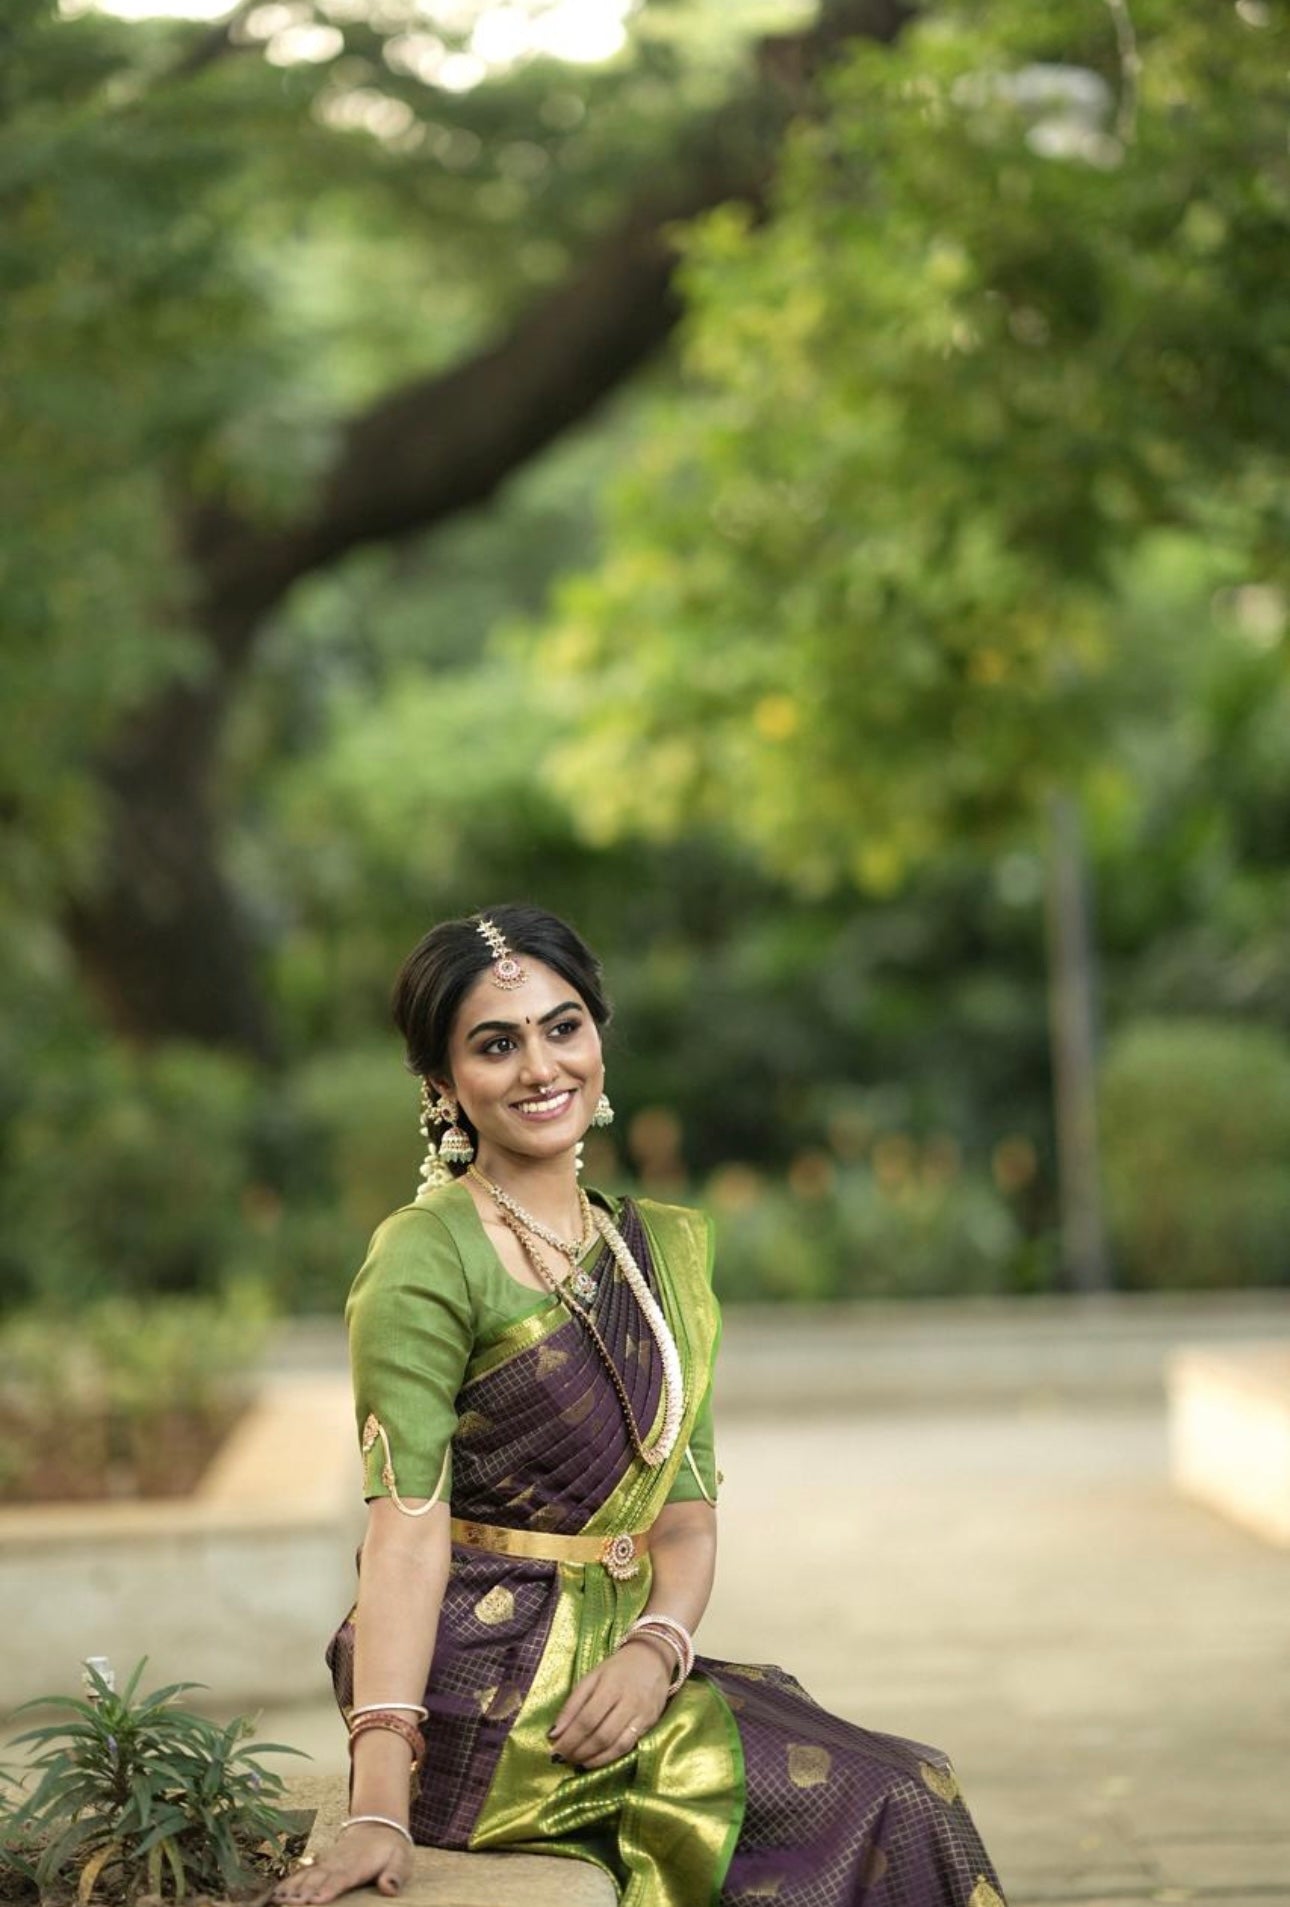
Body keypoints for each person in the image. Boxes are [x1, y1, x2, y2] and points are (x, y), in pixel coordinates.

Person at [274, 904, 1007, 1907]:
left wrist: (658, 1649)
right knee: (881, 1794)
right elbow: (401, 1536)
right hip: (486, 1689)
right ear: (443, 1085)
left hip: (624, 1661)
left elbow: (690, 1517)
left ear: (598, 1037)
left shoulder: (661, 1252)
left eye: (562, 1026)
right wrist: (376, 1802)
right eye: (497, 1043)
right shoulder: (424, 1254)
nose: (541, 1066)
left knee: (909, 1781)